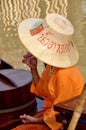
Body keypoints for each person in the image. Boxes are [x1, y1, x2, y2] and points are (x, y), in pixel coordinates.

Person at [12, 13, 85, 130]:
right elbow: (42, 91)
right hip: (50, 114)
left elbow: (58, 112)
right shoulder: (52, 66)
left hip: (64, 122)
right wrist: (34, 69)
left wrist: (35, 120)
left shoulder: (64, 74)